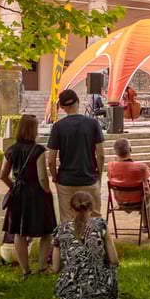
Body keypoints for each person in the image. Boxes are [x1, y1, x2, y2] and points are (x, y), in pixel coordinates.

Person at [51, 192, 120, 299]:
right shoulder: (100, 226)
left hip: (68, 293)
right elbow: (114, 260)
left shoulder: (60, 230)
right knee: (112, 269)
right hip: (99, 289)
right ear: (92, 209)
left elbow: (56, 268)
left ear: (71, 209)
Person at [0, 114, 56, 277]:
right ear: (34, 130)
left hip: (19, 192)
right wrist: (47, 191)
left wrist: (14, 186)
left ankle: (25, 270)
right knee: (46, 231)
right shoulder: (37, 150)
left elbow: (2, 174)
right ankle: (42, 267)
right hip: (36, 193)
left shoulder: (11, 149)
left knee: (19, 232)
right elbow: (42, 177)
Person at [47, 89, 105, 222]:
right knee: (95, 218)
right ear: (78, 102)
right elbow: (101, 155)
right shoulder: (93, 123)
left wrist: (55, 177)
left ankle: (70, 243)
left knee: (67, 220)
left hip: (66, 181)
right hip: (89, 178)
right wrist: (99, 175)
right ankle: (93, 242)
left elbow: (51, 160)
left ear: (61, 107)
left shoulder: (58, 127)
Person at [107, 138, 150, 203]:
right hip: (139, 200)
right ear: (130, 149)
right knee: (147, 183)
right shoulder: (141, 167)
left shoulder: (110, 166)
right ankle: (145, 211)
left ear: (116, 152)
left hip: (120, 200)